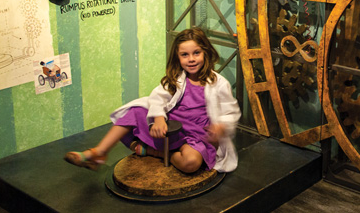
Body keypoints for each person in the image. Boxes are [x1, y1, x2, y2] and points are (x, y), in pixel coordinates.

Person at [64, 27, 241, 173]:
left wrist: (221, 126)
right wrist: (158, 118)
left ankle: (156, 152)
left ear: (206, 53)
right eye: (185, 55)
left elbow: (231, 111)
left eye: (196, 53)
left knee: (190, 163)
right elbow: (157, 97)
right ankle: (99, 152)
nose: (192, 59)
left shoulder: (218, 83)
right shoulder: (176, 78)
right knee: (134, 112)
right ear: (177, 58)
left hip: (196, 135)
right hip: (171, 129)